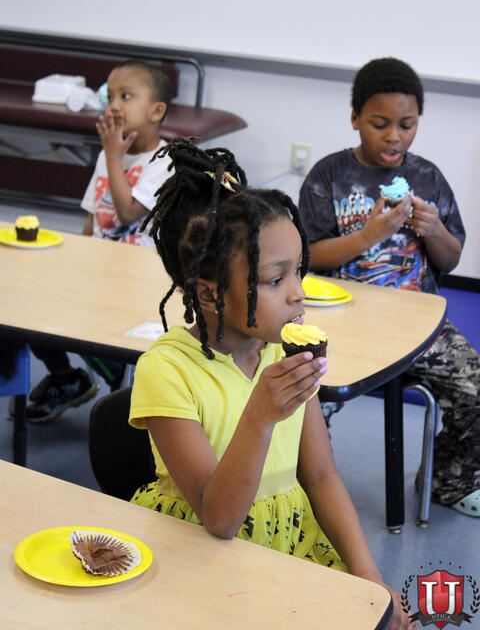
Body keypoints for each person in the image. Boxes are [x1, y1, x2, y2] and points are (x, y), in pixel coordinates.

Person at [129, 137, 410, 629]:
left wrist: (369, 575)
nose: (299, 295)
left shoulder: (280, 355)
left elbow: (321, 476)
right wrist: (260, 416)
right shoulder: (167, 370)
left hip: (290, 539)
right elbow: (219, 520)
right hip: (201, 553)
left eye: (298, 272)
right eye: (276, 280)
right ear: (211, 295)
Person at [299, 57, 480, 517]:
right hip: (337, 320)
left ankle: (446, 481)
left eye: (407, 124)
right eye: (380, 124)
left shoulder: (428, 178)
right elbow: (307, 256)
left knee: (476, 385)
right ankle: (309, 483)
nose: (394, 136)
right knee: (302, 393)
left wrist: (435, 229)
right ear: (356, 118)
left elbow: (451, 257)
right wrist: (369, 236)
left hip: (415, 323)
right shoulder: (329, 176)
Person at [25, 60, 174, 423]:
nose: (114, 106)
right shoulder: (112, 154)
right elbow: (94, 216)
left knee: (127, 362)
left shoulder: (166, 160)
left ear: (156, 111)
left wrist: (112, 155)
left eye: (126, 96)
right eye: (109, 97)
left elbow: (127, 213)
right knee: (30, 306)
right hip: (100, 275)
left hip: (141, 283)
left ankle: (120, 387)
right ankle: (66, 378)